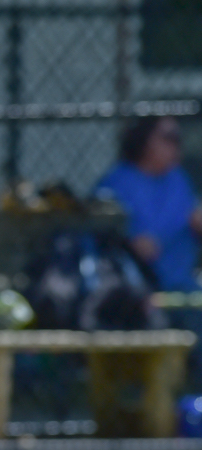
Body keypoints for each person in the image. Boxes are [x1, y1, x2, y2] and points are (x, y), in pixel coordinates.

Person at [95, 115, 202, 388]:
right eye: (167, 138)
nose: (176, 146)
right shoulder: (118, 183)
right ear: (143, 142)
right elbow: (136, 247)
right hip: (136, 292)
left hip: (183, 288)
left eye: (178, 139)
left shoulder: (177, 181)